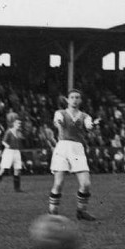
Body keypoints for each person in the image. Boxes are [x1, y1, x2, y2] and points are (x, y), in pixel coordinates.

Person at [48, 89, 100, 221]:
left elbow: (89, 126)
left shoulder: (85, 116)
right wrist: (58, 123)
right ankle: (53, 214)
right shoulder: (60, 113)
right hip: (63, 147)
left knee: (86, 184)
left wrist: (92, 125)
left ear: (80, 100)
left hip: (77, 148)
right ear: (67, 99)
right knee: (58, 183)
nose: (75, 100)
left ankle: (81, 211)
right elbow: (57, 121)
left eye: (77, 97)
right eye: (72, 97)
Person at [0, 117, 25, 193]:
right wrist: (7, 146)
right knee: (2, 169)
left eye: (20, 123)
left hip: (16, 151)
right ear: (14, 124)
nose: (19, 125)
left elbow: (20, 141)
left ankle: (17, 188)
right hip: (9, 152)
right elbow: (3, 141)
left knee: (17, 169)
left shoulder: (19, 132)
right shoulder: (9, 131)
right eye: (17, 123)